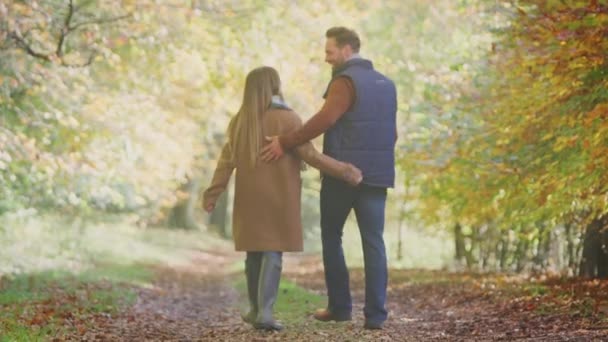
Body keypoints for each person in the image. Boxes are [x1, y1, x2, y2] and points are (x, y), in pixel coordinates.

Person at [202, 66, 362, 331]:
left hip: (249, 198)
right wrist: (344, 170)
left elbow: (225, 162)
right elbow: (311, 156)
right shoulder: (288, 119)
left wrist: (213, 193)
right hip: (280, 197)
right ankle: (265, 312)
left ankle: (255, 309)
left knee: (253, 253)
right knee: (272, 252)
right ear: (276, 86)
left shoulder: (239, 121)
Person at [260, 27, 397, 330]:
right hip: (377, 176)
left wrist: (286, 141)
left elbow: (325, 119)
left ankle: (340, 307)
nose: (326, 58)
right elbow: (392, 134)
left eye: (329, 51)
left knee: (331, 235)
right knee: (374, 242)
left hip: (342, 173)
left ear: (347, 50)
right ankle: (375, 317)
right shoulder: (388, 85)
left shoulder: (345, 81)